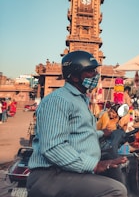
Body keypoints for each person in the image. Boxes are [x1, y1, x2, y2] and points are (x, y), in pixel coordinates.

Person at [27, 50, 128, 197]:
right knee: (116, 191)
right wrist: (94, 165)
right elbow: (53, 147)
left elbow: (79, 132)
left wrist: (102, 133)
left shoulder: (80, 99)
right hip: (52, 174)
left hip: (70, 171)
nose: (95, 76)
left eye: (95, 71)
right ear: (74, 76)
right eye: (90, 72)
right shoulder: (58, 101)